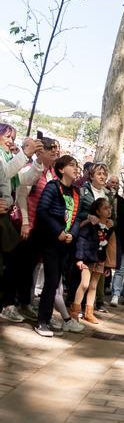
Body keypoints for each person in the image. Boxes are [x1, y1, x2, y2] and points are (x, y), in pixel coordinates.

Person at [33, 155, 86, 336]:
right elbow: (42, 210)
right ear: (61, 169)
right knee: (52, 281)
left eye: (77, 165)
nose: (76, 168)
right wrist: (58, 231)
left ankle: (47, 318)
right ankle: (42, 322)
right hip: (50, 241)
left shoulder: (76, 192)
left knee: (55, 281)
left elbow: (77, 218)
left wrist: (72, 234)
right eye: (72, 165)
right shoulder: (53, 187)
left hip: (66, 245)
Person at [0, 127, 43, 323]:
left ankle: (8, 304)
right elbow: (5, 173)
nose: (11, 141)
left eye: (13, 138)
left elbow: (23, 180)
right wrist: (25, 154)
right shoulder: (4, 158)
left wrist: (37, 161)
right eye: (7, 136)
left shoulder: (9, 157)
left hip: (5, 215)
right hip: (6, 218)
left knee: (10, 261)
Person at [70, 196, 116, 325]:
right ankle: (74, 311)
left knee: (93, 286)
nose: (109, 210)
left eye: (109, 208)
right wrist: (79, 258)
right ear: (97, 211)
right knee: (84, 284)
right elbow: (81, 240)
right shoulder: (91, 224)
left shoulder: (109, 226)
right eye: (105, 208)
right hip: (88, 258)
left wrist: (108, 265)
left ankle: (89, 312)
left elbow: (110, 246)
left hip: (100, 259)